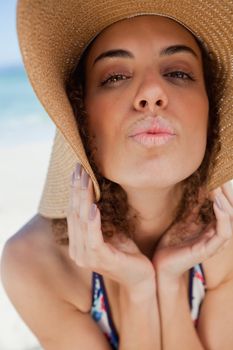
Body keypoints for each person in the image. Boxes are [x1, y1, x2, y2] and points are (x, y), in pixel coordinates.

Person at [1, 0, 233, 349]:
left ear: (211, 109)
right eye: (115, 77)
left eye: (178, 73)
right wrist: (138, 288)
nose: (152, 93)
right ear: (80, 116)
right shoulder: (34, 260)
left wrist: (167, 283)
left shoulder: (226, 235)